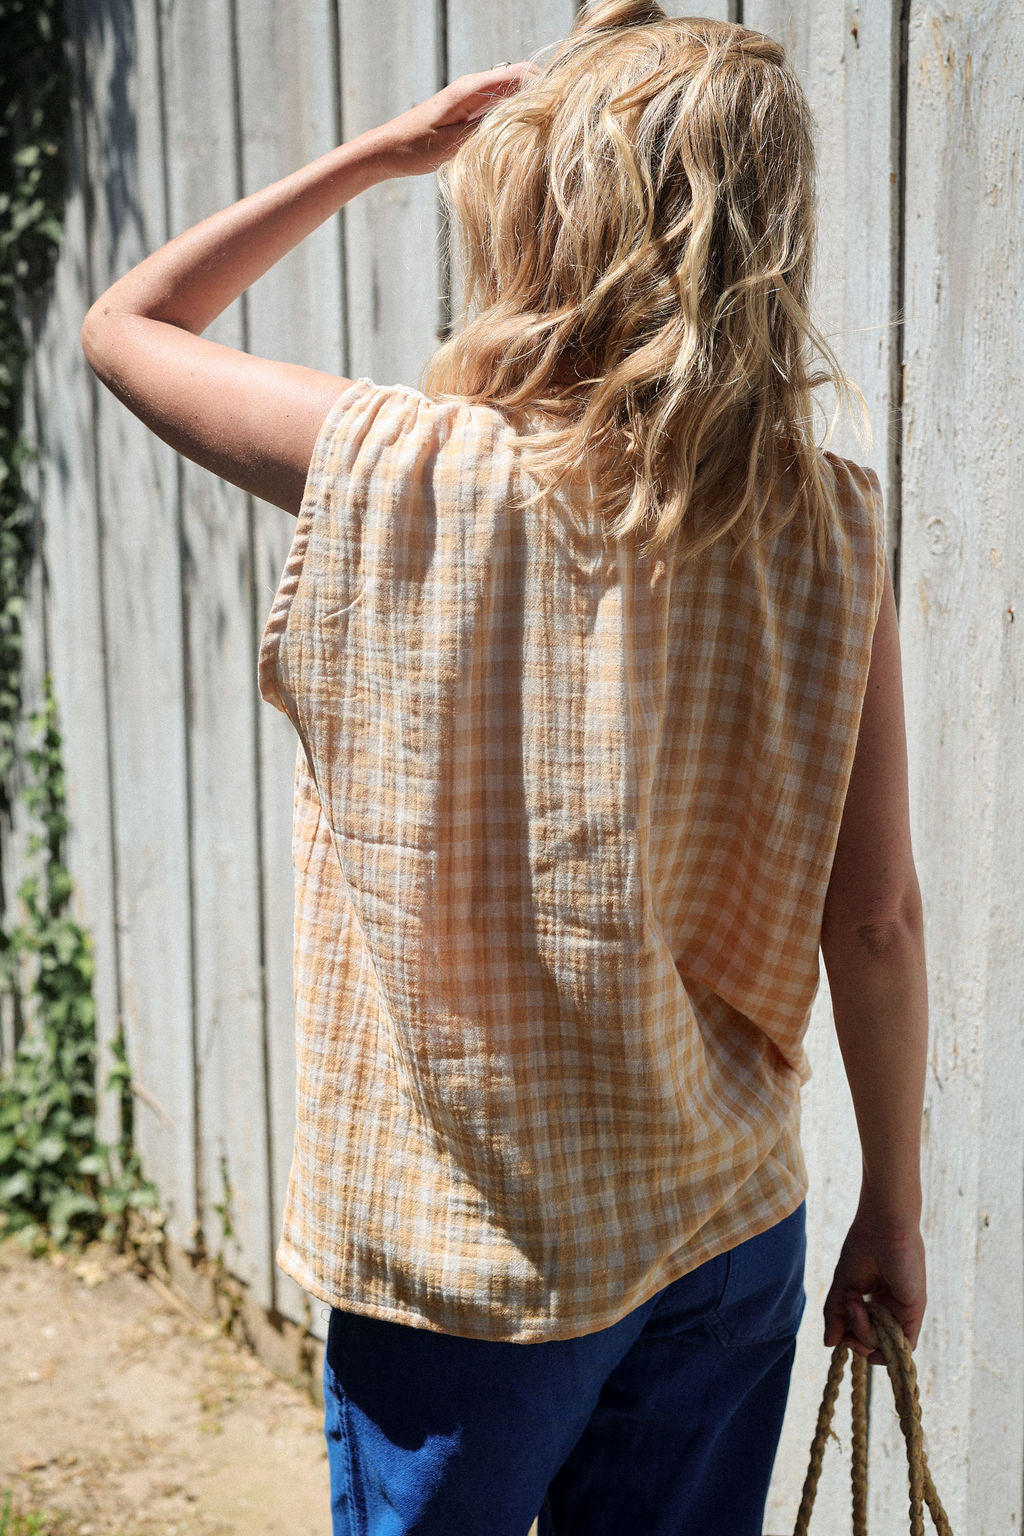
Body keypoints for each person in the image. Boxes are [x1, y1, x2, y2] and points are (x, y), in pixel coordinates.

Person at [81, 2, 928, 1532]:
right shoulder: (828, 521)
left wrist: (377, 155)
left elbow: (126, 327)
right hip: (726, 1219)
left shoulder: (400, 469)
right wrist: (895, 1207)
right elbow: (873, 923)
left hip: (467, 1260)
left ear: (537, 210)